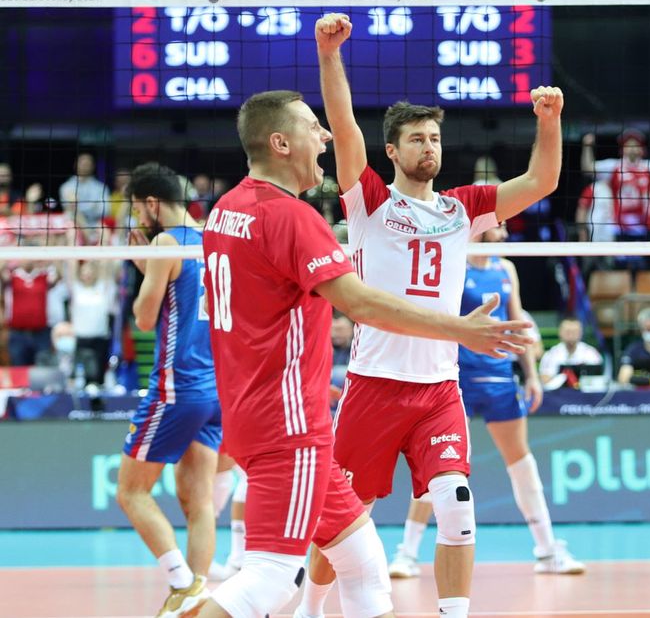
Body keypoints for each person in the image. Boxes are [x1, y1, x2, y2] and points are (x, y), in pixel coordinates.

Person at [195, 89, 532, 618]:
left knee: (365, 566)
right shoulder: (294, 218)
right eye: (312, 127)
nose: (324, 136)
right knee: (269, 578)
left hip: (258, 409)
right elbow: (361, 304)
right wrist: (459, 329)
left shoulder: (226, 210)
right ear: (281, 143)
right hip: (290, 425)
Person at [300, 13, 561, 618]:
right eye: (417, 139)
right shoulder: (369, 200)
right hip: (373, 386)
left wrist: (549, 121)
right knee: (342, 526)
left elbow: (543, 180)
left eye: (435, 138)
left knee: (458, 507)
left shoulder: (462, 208)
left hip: (439, 389)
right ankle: (310, 608)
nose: (429, 147)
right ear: (393, 150)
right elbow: (344, 126)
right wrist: (329, 55)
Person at [389, 223, 585, 579]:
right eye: (501, 226)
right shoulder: (454, 263)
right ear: (483, 227)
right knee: (439, 467)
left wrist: (531, 374)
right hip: (457, 379)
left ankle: (547, 552)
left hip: (500, 380)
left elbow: (517, 321)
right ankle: (406, 554)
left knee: (522, 464)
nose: (506, 233)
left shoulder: (505, 268)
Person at [117, 162, 223, 617]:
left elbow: (144, 319)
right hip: (216, 388)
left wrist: (146, 268)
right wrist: (151, 268)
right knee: (198, 502)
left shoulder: (165, 242)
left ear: (152, 203)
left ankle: (182, 582)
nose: (138, 217)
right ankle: (194, 597)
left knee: (130, 492)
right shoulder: (212, 239)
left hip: (177, 387)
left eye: (138, 208)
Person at [538, 316, 604, 387]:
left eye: (575, 332)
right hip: (558, 392)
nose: (571, 335)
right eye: (568, 332)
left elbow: (598, 379)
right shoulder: (550, 354)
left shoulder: (591, 353)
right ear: (560, 332)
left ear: (581, 333)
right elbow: (544, 379)